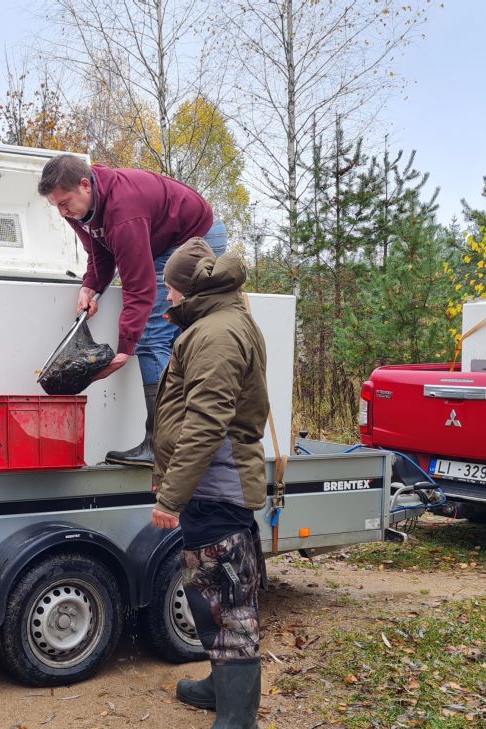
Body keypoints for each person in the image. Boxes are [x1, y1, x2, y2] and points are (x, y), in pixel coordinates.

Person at [38, 155, 228, 466]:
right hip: (161, 237)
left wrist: (126, 348)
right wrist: (91, 287)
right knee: (168, 334)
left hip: (196, 235)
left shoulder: (123, 211)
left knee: (152, 336)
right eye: (55, 205)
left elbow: (139, 287)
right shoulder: (82, 208)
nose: (61, 212)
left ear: (85, 185)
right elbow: (99, 251)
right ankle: (183, 436)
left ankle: (159, 446)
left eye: (64, 203)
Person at [149, 238, 267, 729]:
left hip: (218, 486)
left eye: (170, 289)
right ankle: (220, 688)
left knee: (228, 603)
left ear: (188, 288)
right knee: (210, 596)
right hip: (214, 485)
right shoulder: (217, 322)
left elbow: (205, 421)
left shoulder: (216, 334)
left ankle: (238, 718)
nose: (166, 298)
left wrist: (171, 496)